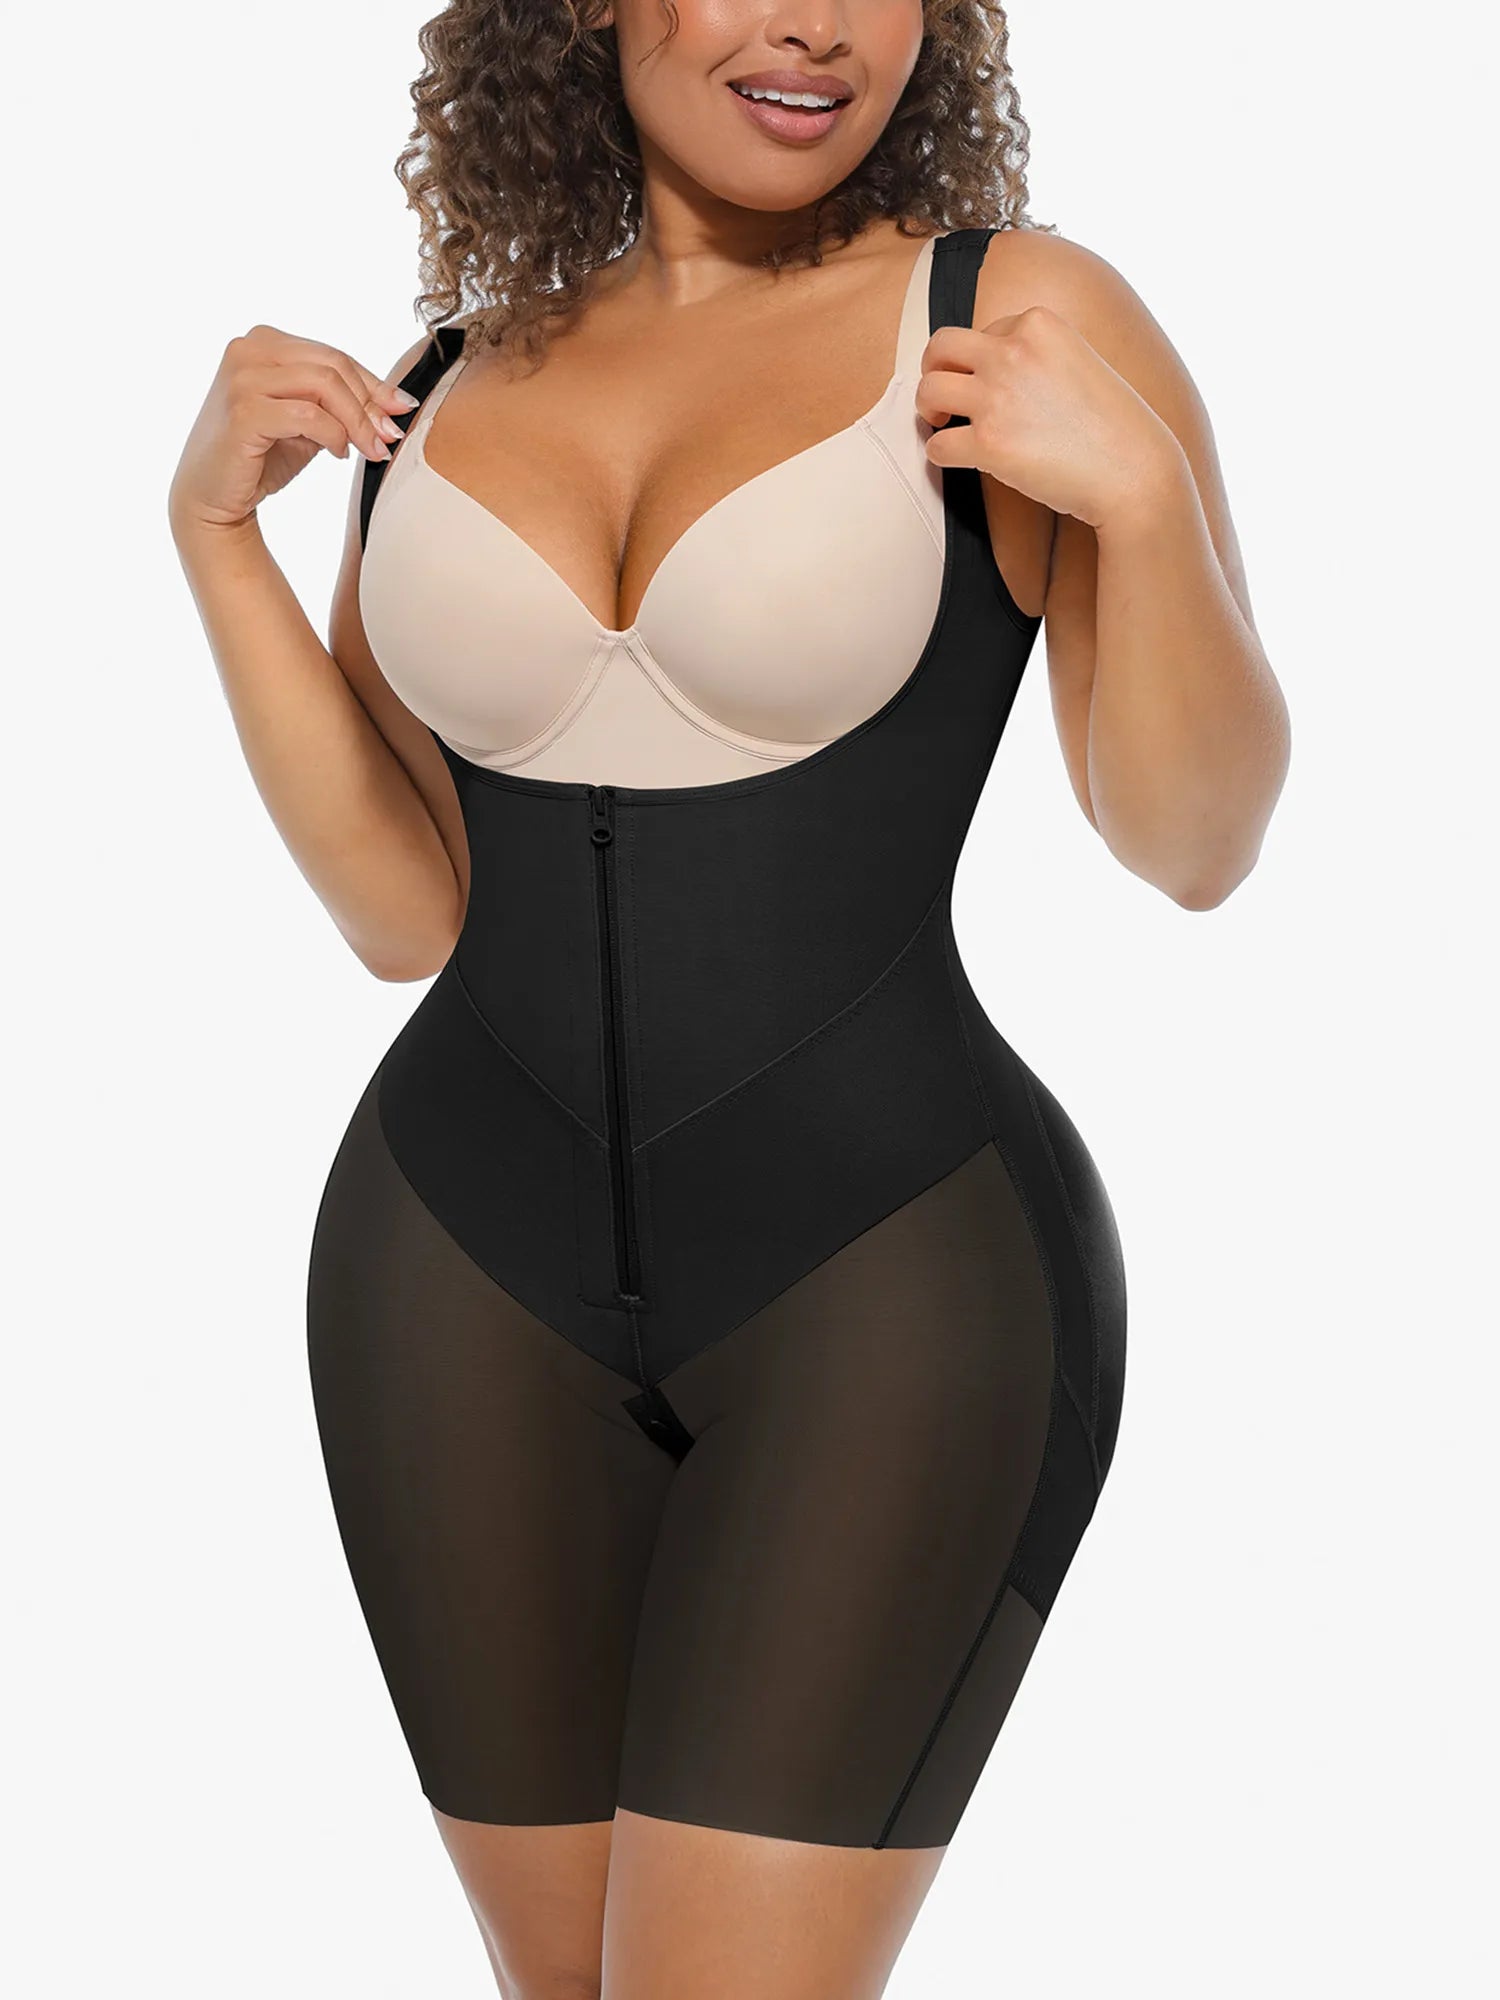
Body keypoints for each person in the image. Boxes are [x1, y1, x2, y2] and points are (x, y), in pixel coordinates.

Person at [168, 2, 1289, 1993]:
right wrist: (213, 540)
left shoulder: (1007, 317)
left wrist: (1149, 511)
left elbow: (1192, 843)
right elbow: (403, 913)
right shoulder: (453, 368)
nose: (814, 24)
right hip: (451, 1271)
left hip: (886, 1273)